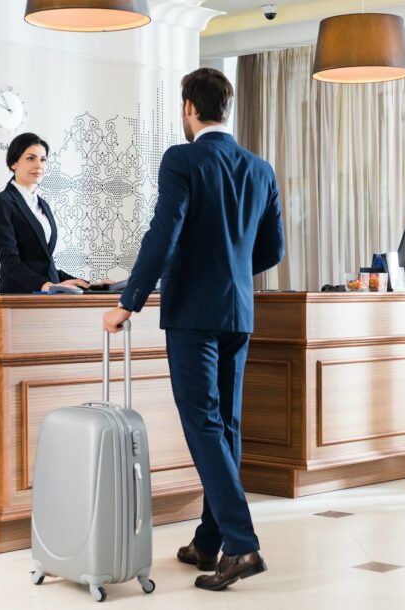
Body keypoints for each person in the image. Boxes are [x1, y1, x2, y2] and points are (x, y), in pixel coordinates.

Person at [104, 68, 284, 590]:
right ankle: (209, 539)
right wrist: (228, 269)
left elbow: (164, 232)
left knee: (203, 422)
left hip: (192, 315)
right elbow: (271, 250)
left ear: (188, 108)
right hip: (238, 312)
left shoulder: (181, 159)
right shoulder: (259, 168)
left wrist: (128, 302)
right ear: (224, 108)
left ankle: (242, 544)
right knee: (225, 423)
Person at [0, 132, 89, 294]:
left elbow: (42, 262)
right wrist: (45, 285)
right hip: (17, 295)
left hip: (46, 296)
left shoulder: (43, 205)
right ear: (14, 163)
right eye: (31, 158)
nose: (39, 165)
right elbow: (10, 261)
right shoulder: (2, 201)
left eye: (43, 160)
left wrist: (87, 283)